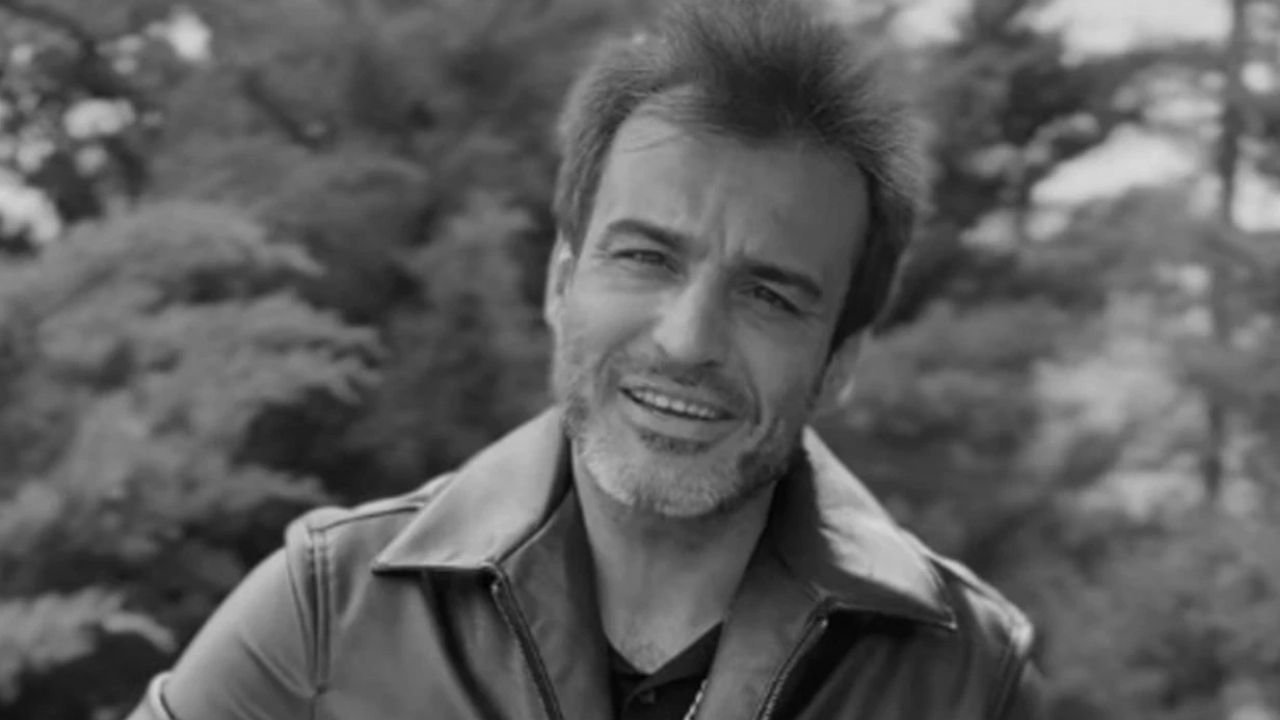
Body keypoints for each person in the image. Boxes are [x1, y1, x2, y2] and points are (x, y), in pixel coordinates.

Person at [128, 0, 1047, 718]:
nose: (686, 340)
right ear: (561, 282)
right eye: (646, 257)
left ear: (839, 360)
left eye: (769, 296)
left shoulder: (971, 680)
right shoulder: (327, 614)